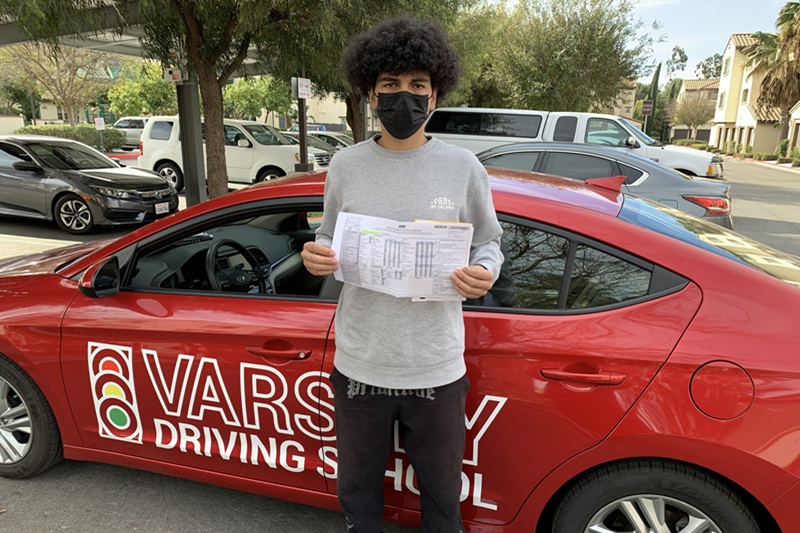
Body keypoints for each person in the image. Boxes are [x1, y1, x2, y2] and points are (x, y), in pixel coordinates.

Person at [301, 16, 504, 533]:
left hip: (435, 368)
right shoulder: (345, 165)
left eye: (417, 85)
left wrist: (485, 270)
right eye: (390, 84)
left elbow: (489, 242)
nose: (404, 96)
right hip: (360, 365)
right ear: (371, 93)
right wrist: (317, 254)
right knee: (358, 496)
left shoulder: (463, 167)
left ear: (435, 95)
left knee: (442, 502)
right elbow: (329, 234)